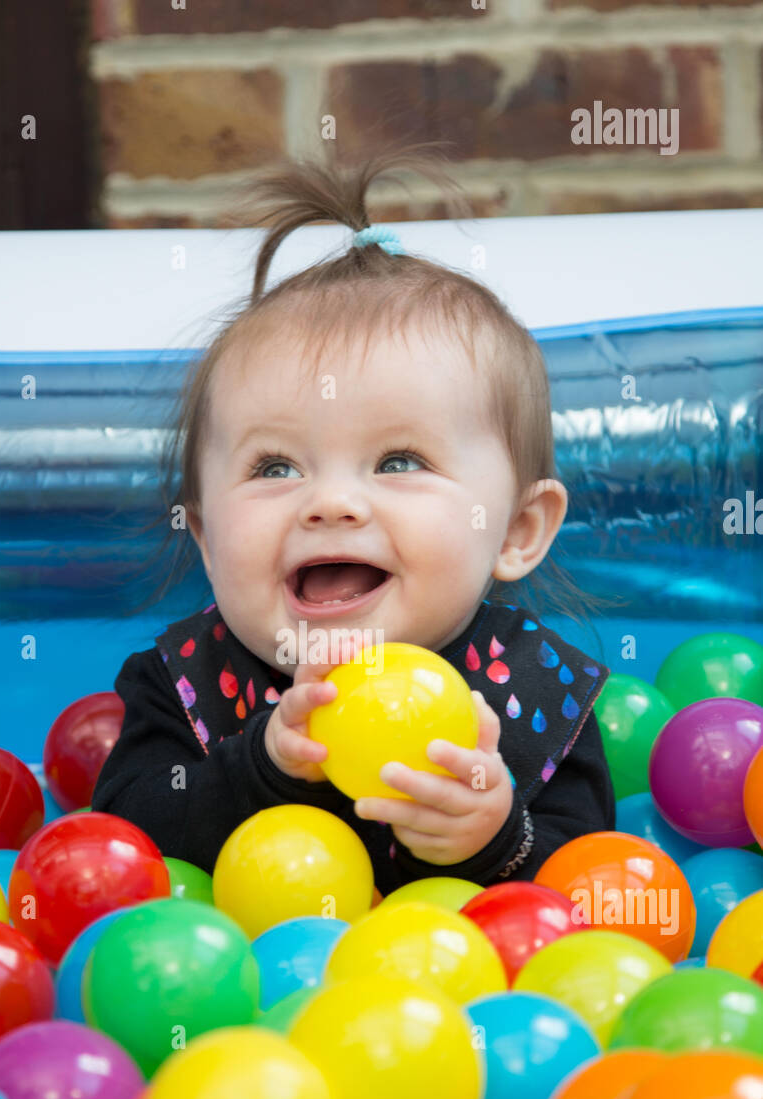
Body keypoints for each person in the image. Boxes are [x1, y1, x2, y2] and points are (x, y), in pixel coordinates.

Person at [92, 147, 615, 894]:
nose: (330, 502)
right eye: (275, 468)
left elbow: (582, 883)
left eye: (398, 461)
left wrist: (491, 839)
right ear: (206, 538)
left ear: (516, 531)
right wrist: (261, 769)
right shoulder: (182, 686)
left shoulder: (537, 691)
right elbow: (123, 842)